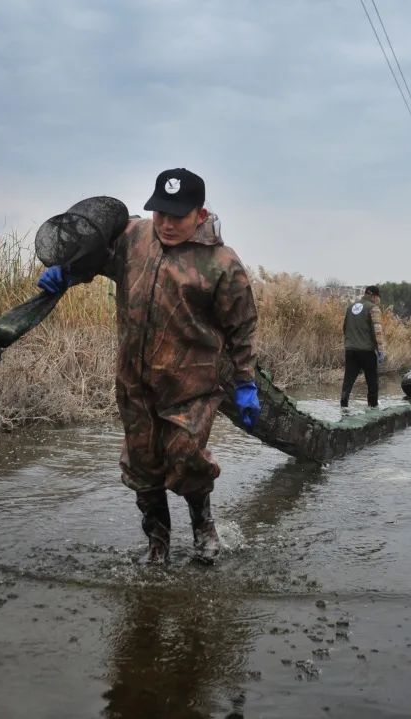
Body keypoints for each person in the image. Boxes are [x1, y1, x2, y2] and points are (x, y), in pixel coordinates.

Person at [37, 168, 260, 565]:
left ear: (201, 214)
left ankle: (204, 531)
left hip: (191, 385)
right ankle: (157, 545)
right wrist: (67, 273)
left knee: (186, 457)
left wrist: (245, 383)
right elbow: (96, 258)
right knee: (141, 463)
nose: (166, 224)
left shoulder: (223, 264)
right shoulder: (135, 237)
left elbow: (242, 328)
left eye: (177, 216)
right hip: (135, 380)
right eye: (160, 213)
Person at [340, 285, 386, 408]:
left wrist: (351, 342)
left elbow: (344, 328)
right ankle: (372, 407)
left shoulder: (350, 307)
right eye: (378, 297)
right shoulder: (373, 308)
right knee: (372, 381)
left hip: (350, 350)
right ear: (373, 296)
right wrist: (380, 350)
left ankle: (343, 405)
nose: (378, 300)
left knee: (348, 381)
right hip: (366, 351)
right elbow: (377, 331)